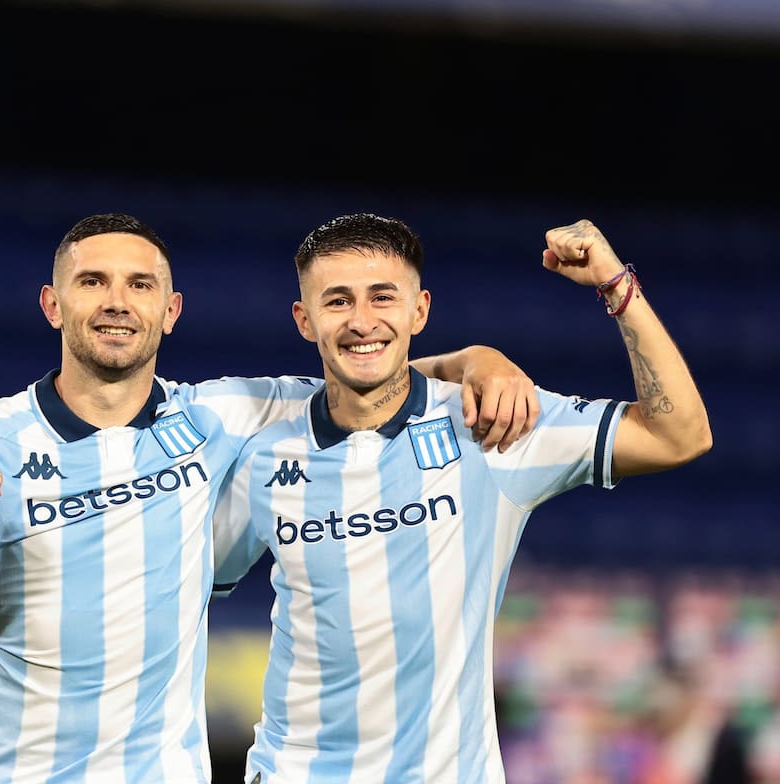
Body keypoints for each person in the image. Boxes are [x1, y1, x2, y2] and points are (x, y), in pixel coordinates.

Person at [0, 213, 539, 784]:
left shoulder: (220, 417)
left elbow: (364, 374)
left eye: (140, 285)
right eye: (93, 282)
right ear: (53, 304)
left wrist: (475, 359)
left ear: (171, 310)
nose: (116, 301)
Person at [202, 214, 712, 782]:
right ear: (305, 319)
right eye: (338, 301)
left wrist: (616, 286)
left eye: (382, 297)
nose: (362, 320)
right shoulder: (268, 451)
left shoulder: (489, 426)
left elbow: (680, 434)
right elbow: (192, 590)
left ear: (419, 309)